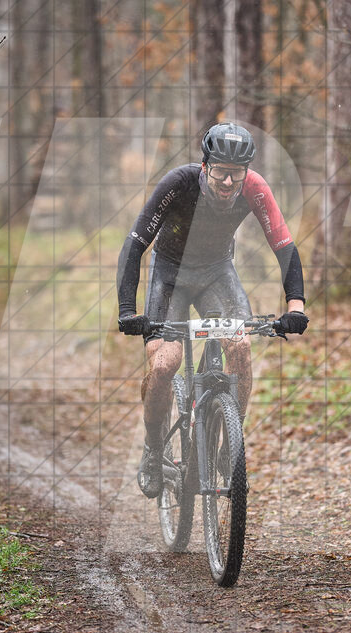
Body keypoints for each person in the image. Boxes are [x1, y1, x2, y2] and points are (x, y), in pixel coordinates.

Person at [117, 123, 309, 498]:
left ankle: (228, 447)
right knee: (165, 364)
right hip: (170, 274)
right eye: (220, 171)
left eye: (236, 173)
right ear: (205, 166)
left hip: (217, 272)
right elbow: (135, 244)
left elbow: (284, 247)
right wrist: (127, 310)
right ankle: (154, 449)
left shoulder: (254, 188)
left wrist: (295, 306)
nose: (228, 181)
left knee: (240, 347)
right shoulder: (179, 183)